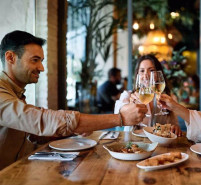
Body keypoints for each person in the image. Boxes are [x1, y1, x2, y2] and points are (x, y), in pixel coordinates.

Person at [0, 30, 147, 170]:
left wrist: (74, 130)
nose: (41, 68)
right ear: (10, 58)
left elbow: (34, 135)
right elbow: (42, 120)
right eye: (35, 60)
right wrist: (120, 118)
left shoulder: (15, 93)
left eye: (41, 61)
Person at [114, 54, 182, 136]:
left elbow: (175, 125)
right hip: (135, 143)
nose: (146, 75)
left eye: (151, 70)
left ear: (158, 74)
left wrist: (175, 128)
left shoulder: (169, 98)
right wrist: (131, 105)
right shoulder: (128, 96)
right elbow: (118, 114)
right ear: (137, 74)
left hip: (160, 145)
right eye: (142, 71)